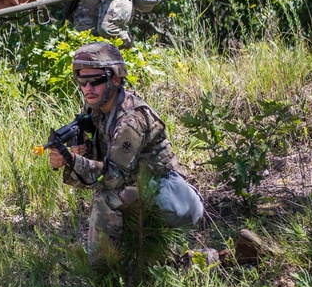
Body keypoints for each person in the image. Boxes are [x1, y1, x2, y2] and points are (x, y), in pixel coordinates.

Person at [48, 42, 203, 264]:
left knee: (107, 198)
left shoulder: (131, 119)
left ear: (116, 79)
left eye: (97, 80)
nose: (88, 88)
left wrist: (72, 161)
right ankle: (158, 260)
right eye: (82, 81)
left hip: (172, 196)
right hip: (144, 189)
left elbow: (111, 177)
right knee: (160, 264)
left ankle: (102, 273)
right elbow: (102, 162)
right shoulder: (95, 109)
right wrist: (74, 155)